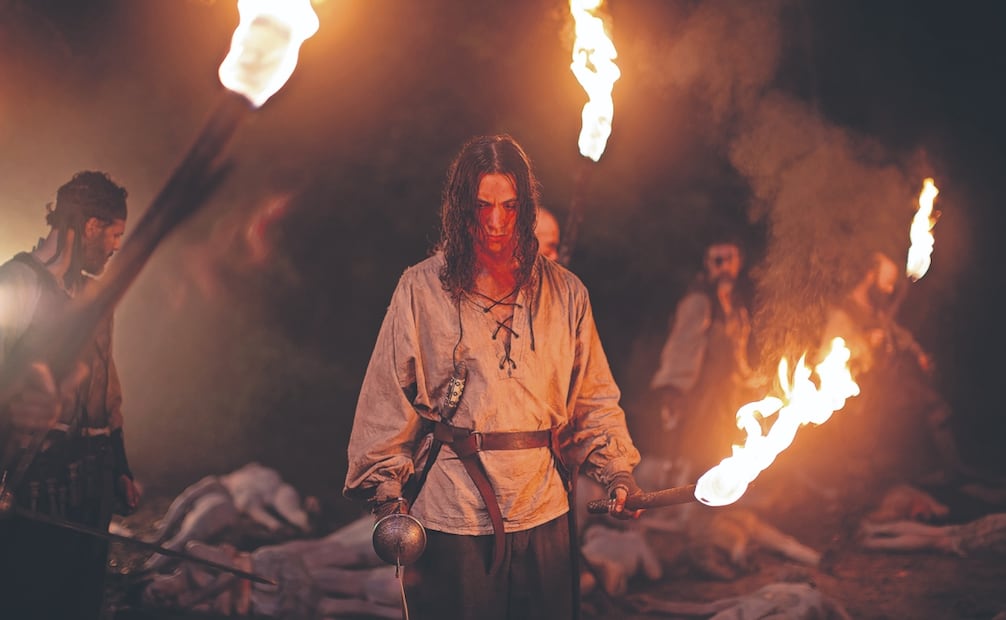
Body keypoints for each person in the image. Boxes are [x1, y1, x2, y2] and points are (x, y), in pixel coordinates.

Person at [344, 134, 642, 620]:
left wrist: (617, 473)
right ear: (461, 207)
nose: (496, 221)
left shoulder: (566, 293)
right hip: (456, 514)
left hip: (546, 510)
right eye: (482, 205)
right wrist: (387, 494)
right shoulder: (421, 289)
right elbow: (386, 401)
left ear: (525, 206)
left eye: (508, 205)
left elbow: (593, 400)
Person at [0, 170, 141, 620]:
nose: (117, 246)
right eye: (114, 233)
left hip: (91, 477)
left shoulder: (94, 296)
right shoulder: (17, 284)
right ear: (90, 226)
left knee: (80, 599)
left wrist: (119, 465)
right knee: (30, 595)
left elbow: (107, 387)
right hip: (35, 477)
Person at [817, 251, 969, 486]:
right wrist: (863, 343)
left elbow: (898, 334)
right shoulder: (844, 312)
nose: (890, 290)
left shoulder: (876, 311)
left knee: (932, 406)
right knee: (863, 461)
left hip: (884, 389)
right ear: (870, 276)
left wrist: (917, 353)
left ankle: (952, 473)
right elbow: (826, 356)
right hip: (859, 401)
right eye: (886, 283)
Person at [648, 236, 756, 480]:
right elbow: (681, 348)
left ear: (739, 263)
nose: (724, 265)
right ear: (707, 263)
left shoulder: (736, 308)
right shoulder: (699, 301)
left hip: (725, 397)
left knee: (719, 452)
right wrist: (673, 389)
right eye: (718, 260)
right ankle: (681, 510)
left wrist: (750, 381)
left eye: (730, 259)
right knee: (692, 458)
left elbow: (737, 354)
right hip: (699, 395)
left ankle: (709, 511)